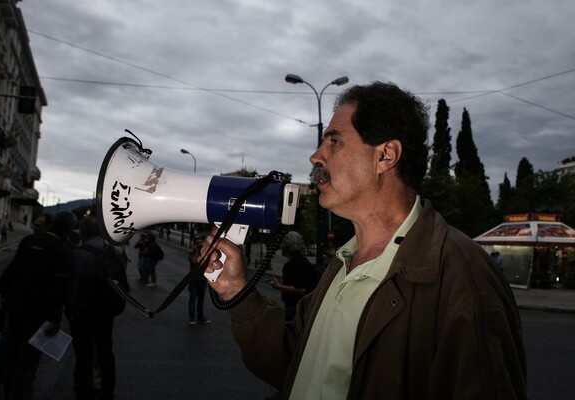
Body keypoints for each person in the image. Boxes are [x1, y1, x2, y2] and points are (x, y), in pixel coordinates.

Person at [202, 81, 527, 399]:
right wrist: (236, 290)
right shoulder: (344, 263)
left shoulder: (463, 275)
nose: (315, 156)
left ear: (386, 155)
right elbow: (297, 362)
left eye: (334, 142)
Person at [0, 211, 75, 400]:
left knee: (11, 353)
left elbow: (12, 269)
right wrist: (56, 318)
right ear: (68, 230)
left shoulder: (28, 241)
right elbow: (58, 287)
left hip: (15, 308)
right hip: (38, 314)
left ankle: (7, 389)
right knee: (28, 360)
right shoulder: (62, 250)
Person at [66, 216, 129, 400]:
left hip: (83, 313)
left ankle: (85, 391)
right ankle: (107, 392)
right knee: (105, 352)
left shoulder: (79, 254)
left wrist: (69, 312)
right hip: (106, 312)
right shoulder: (112, 252)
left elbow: (73, 288)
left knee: (84, 354)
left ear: (82, 232)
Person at [268, 231, 317, 321]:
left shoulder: (295, 265)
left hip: (296, 309)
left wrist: (278, 286)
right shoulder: (301, 262)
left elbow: (301, 290)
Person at [187, 236, 211, 325]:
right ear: (194, 244)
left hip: (202, 280)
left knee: (201, 300)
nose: (199, 244)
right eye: (197, 243)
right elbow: (194, 261)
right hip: (193, 280)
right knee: (192, 299)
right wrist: (197, 251)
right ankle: (192, 318)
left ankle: (201, 317)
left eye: (201, 243)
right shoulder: (191, 253)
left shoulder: (205, 253)